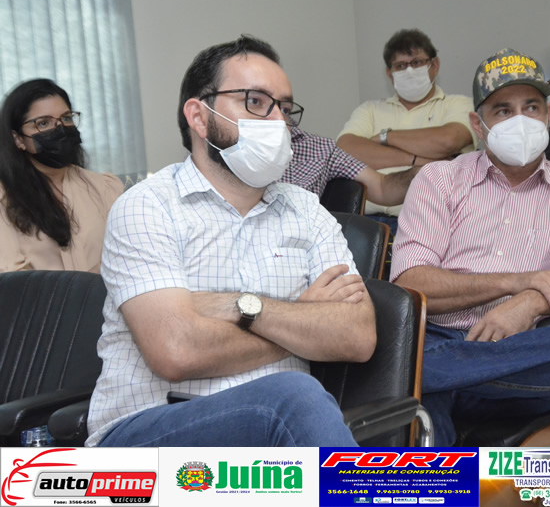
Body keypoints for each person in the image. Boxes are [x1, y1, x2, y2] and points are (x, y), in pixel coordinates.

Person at [86, 36, 376, 447]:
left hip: (271, 444)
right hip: (151, 431)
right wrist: (300, 320)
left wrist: (240, 306)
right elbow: (177, 351)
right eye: (255, 102)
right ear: (199, 117)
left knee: (290, 405)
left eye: (284, 108)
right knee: (293, 397)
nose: (278, 122)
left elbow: (358, 337)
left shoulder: (307, 210)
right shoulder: (147, 206)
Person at [391, 48, 550, 447]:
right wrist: (517, 282)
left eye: (532, 107)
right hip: (438, 335)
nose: (520, 120)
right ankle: (436, 388)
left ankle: (413, 376)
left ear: (548, 115)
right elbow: (412, 284)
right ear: (478, 124)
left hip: (521, 354)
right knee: (424, 421)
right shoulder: (439, 180)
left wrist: (532, 301)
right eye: (503, 111)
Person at [337, 28, 476, 224]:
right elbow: (344, 151)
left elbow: (448, 140)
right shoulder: (369, 110)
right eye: (400, 65)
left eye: (417, 62)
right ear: (389, 73)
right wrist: (417, 160)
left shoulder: (459, 104)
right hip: (365, 222)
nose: (409, 71)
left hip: (429, 222)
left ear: (434, 65)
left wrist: (385, 137)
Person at [0, 79, 123, 272]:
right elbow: (12, 280)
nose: (60, 129)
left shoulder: (103, 187)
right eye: (43, 123)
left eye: (66, 118)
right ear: (18, 139)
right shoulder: (4, 199)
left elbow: (127, 256)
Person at [281, 126, 417, 207]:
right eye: (272, 105)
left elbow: (382, 187)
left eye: (285, 109)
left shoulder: (318, 149)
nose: (278, 115)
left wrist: (423, 173)